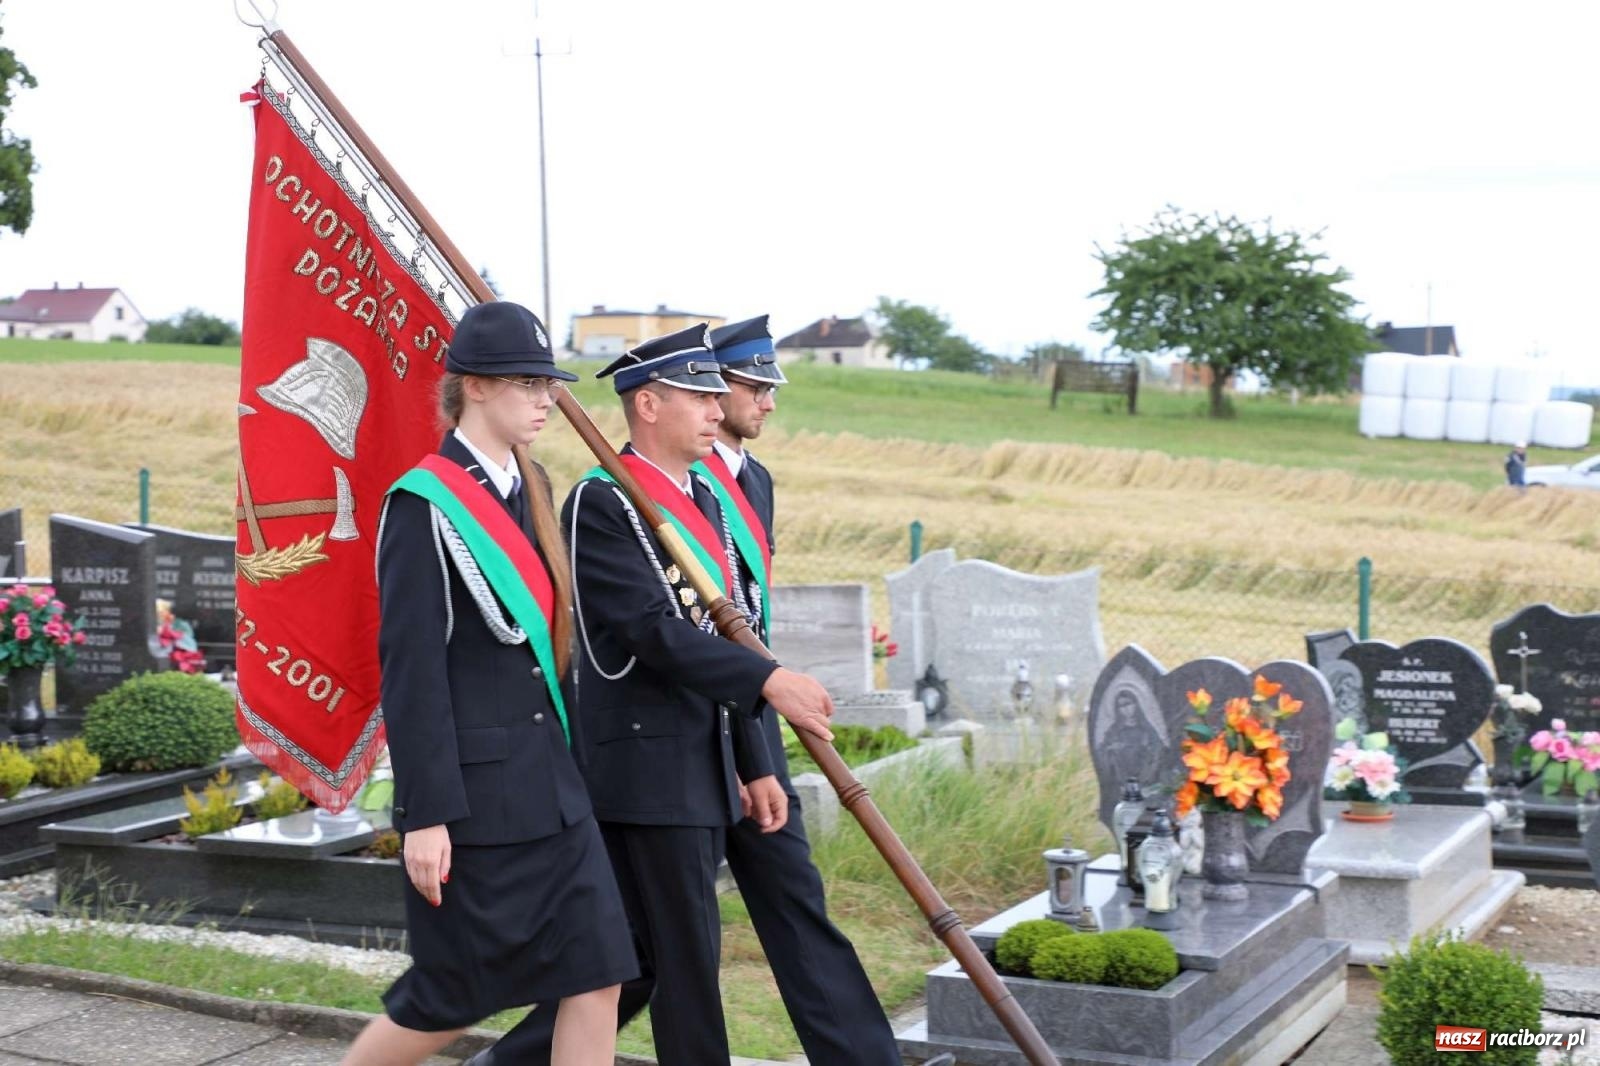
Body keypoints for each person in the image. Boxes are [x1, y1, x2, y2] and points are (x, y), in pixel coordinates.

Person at [469, 323, 836, 1066]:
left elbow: (726, 628)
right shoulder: (604, 503)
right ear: (648, 405)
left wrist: (752, 757)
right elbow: (650, 632)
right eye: (698, 395)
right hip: (645, 768)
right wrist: (769, 680)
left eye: (714, 394)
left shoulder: (704, 498)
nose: (715, 408)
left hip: (703, 762)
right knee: (687, 968)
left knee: (638, 960)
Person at [342, 301, 634, 1066]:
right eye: (529, 383)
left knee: (601, 973)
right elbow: (412, 669)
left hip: (555, 794)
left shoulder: (531, 484)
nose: (547, 399)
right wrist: (426, 816)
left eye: (549, 384)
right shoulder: (422, 505)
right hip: (477, 807)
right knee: (448, 1000)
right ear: (473, 386)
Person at [698, 313, 903, 1064]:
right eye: (756, 385)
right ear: (708, 388)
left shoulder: (754, 480)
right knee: (642, 959)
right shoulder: (651, 480)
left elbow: (748, 620)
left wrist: (758, 749)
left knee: (795, 903)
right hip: (678, 739)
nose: (769, 402)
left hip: (746, 721)